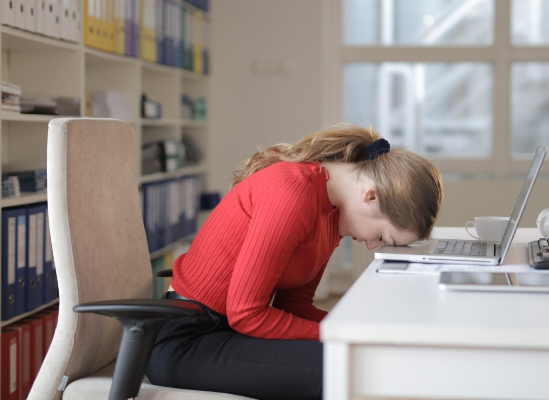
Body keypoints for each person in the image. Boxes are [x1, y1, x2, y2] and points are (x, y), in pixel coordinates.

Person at [146, 124, 443, 400]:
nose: (371, 245)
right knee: (349, 369)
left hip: (227, 332)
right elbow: (246, 314)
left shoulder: (332, 214)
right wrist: (343, 334)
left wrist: (359, 329)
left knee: (362, 359)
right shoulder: (293, 191)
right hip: (187, 341)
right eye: (382, 236)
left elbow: (294, 306)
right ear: (372, 196)